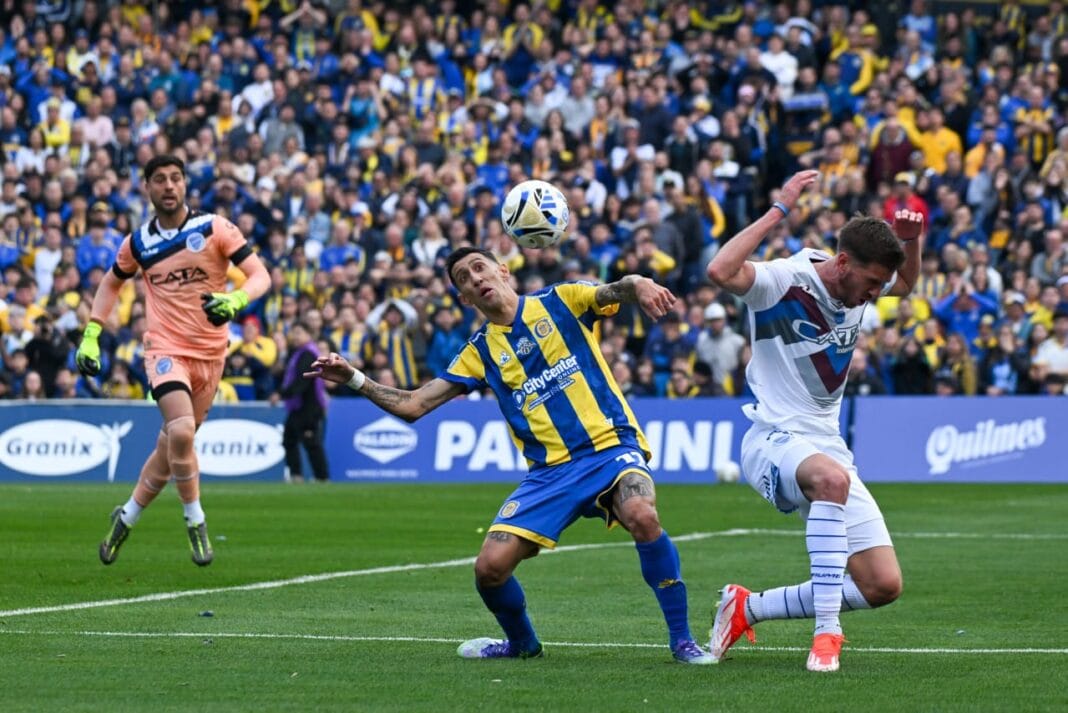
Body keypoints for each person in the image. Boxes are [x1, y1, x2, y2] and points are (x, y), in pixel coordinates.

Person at [304, 245, 713, 664]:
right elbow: (414, 405)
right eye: (463, 278)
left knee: (642, 514)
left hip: (610, 448)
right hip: (549, 475)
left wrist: (640, 284)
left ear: (503, 271)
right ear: (465, 299)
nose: (474, 278)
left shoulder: (561, 301)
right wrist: (354, 378)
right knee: (489, 570)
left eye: (479, 267)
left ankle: (682, 641)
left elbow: (614, 290)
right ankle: (522, 643)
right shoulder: (479, 352)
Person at [705, 170, 924, 673]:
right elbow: (720, 270)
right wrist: (779, 208)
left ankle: (747, 607)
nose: (874, 296)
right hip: (773, 437)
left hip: (825, 446)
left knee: (882, 585)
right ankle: (827, 633)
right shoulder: (784, 280)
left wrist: (912, 242)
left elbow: (906, 282)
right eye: (870, 284)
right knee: (831, 479)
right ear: (842, 263)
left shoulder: (858, 287)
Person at [75, 155, 270, 566]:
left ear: (185, 185)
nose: (169, 186)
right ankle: (195, 519)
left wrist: (236, 299)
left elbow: (261, 276)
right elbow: (111, 283)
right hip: (165, 349)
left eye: (176, 178)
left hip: (212, 354)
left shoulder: (214, 228)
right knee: (180, 430)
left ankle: (126, 516)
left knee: (172, 446)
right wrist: (92, 333)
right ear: (147, 188)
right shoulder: (138, 243)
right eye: (160, 179)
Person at [274, 320, 330, 483]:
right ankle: (296, 475)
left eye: (299, 333)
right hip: (299, 406)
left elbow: (302, 381)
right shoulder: (298, 353)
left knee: (311, 442)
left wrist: (282, 394)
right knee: (289, 439)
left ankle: (322, 477)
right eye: (293, 333)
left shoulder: (308, 354)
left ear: (308, 335)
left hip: (309, 407)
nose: (295, 336)